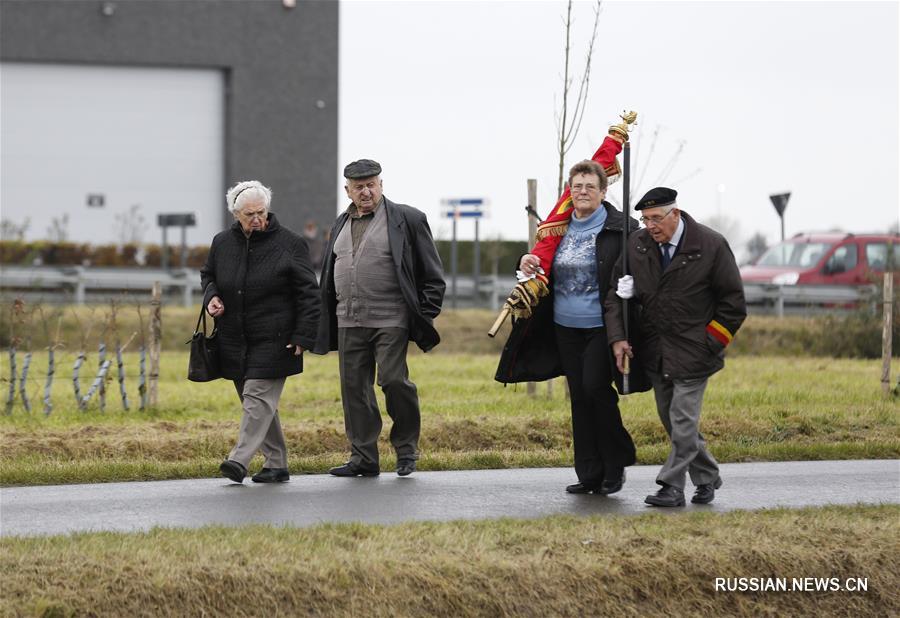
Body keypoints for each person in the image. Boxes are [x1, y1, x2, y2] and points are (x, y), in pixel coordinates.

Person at [496, 158, 648, 495]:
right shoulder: (558, 227)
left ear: (603, 191)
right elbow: (542, 264)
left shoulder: (621, 228)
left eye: (590, 187)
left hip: (602, 326)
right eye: (576, 186)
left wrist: (633, 288)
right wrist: (525, 263)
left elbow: (640, 268)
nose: (582, 192)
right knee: (578, 397)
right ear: (570, 190)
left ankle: (616, 460)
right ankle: (589, 472)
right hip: (564, 326)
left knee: (595, 387)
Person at [606, 187, 747, 506]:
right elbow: (613, 296)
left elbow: (734, 303)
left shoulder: (710, 245)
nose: (650, 226)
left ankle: (671, 486)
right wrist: (619, 333)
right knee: (673, 422)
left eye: (656, 219)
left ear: (676, 214)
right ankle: (708, 475)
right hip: (656, 352)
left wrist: (710, 342)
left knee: (682, 421)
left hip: (695, 352)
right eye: (645, 219)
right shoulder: (637, 245)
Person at [316, 159, 445, 477]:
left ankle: (406, 450)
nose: (366, 191)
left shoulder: (407, 219)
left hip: (391, 318)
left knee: (392, 380)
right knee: (354, 389)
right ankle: (364, 457)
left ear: (382, 185)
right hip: (348, 318)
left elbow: (432, 274)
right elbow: (329, 274)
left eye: (372, 184)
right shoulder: (340, 223)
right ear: (347, 190)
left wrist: (423, 315)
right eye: (359, 186)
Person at [201, 180, 321, 484]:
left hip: (277, 337)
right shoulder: (222, 243)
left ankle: (238, 460)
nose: (257, 219)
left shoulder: (291, 244)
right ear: (235, 214)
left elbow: (309, 293)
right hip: (234, 337)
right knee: (257, 403)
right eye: (249, 214)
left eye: (261, 212)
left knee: (256, 398)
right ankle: (276, 463)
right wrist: (212, 296)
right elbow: (208, 275)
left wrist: (303, 334)